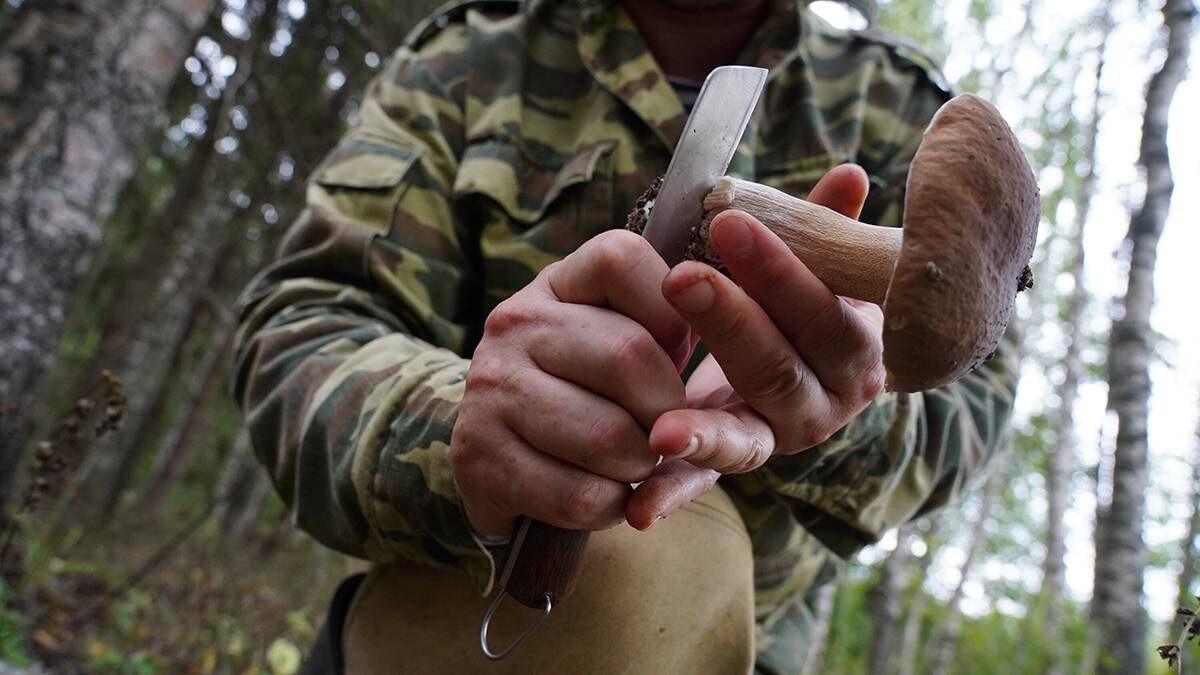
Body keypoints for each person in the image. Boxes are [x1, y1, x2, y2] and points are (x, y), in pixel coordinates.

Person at [232, 0, 1018, 671]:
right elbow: (306, 322)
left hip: (752, 636)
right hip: (458, 590)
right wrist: (461, 430)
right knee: (622, 578)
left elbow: (972, 400)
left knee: (674, 566)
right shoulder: (470, 56)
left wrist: (836, 405)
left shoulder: (891, 100)